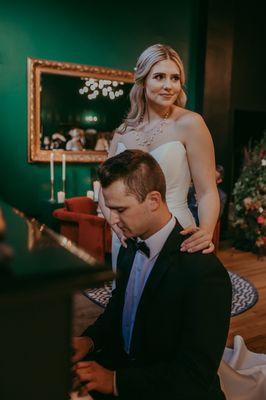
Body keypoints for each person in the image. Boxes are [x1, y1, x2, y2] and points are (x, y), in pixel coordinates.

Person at [72, 150, 232, 399]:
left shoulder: (204, 272)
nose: (112, 220)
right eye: (110, 209)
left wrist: (115, 381)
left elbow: (195, 375)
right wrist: (90, 340)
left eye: (120, 209)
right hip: (127, 369)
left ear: (154, 200)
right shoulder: (130, 245)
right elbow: (119, 308)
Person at [97, 43, 220, 275]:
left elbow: (207, 192)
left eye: (175, 78)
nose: (168, 86)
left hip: (176, 232)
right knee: (128, 302)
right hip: (127, 237)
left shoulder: (191, 124)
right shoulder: (123, 131)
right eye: (159, 77)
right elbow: (104, 190)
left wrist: (206, 231)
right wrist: (115, 224)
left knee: (170, 306)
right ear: (142, 80)